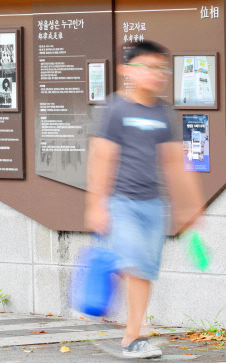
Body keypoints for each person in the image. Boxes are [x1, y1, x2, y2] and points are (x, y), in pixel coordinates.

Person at [85, 41, 204, 359]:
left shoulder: (163, 113)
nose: (156, 74)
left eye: (160, 68)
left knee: (145, 270)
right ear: (127, 71)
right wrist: (96, 204)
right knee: (136, 263)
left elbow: (175, 162)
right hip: (121, 201)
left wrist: (191, 205)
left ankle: (133, 334)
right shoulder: (115, 107)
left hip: (153, 204)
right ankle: (134, 336)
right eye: (147, 67)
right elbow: (102, 157)